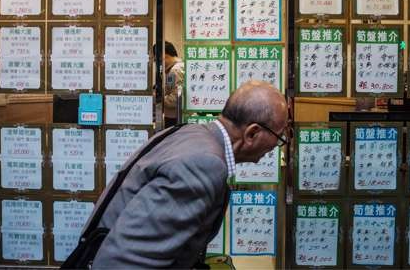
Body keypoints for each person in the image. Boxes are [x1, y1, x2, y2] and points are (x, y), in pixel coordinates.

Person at [87, 80, 289, 269]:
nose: (276, 147)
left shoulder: (190, 133)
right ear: (252, 133)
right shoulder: (204, 164)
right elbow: (127, 261)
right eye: (278, 137)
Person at [163, 41, 184, 127]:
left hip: (174, 117)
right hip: (175, 116)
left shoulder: (175, 70)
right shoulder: (175, 68)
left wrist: (159, 99)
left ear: (164, 55)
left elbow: (176, 98)